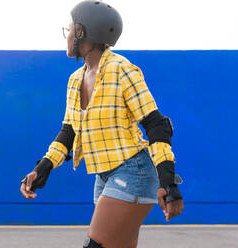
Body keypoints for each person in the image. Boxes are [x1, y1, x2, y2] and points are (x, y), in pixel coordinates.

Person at [20, 0, 184, 247]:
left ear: (83, 32)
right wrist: (42, 169)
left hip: (134, 170)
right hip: (104, 175)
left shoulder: (122, 70)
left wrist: (168, 183)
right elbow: (69, 133)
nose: (67, 34)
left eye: (70, 28)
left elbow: (156, 125)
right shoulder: (75, 80)